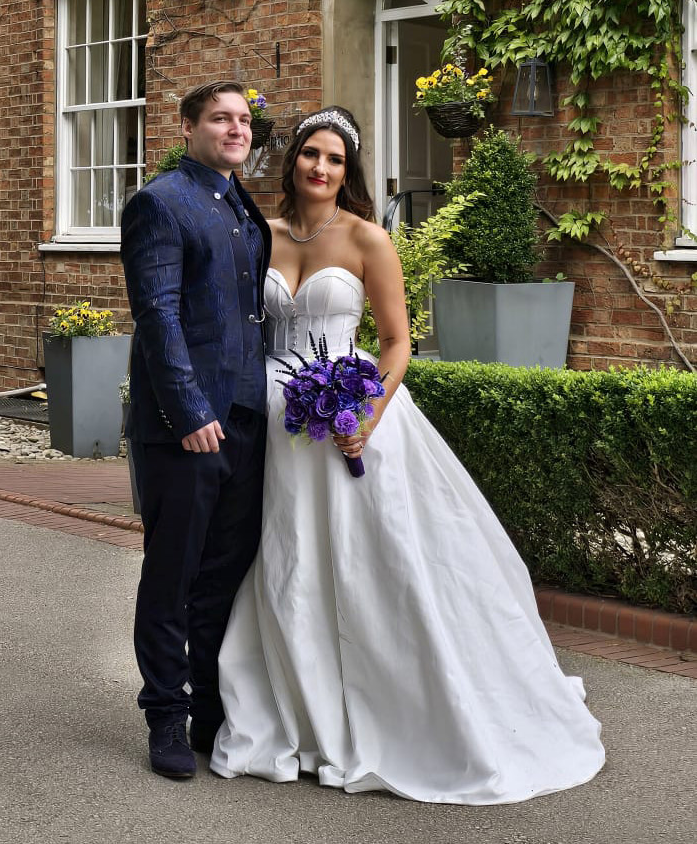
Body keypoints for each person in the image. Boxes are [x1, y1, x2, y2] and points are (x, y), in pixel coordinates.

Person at [208, 106, 605, 803]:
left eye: (334, 160)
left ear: (348, 172)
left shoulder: (368, 240)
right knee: (286, 559)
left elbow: (398, 344)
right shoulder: (257, 236)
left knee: (368, 565)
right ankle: (298, 714)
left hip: (350, 422)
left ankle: (396, 709)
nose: (320, 169)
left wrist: (365, 412)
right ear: (293, 161)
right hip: (274, 421)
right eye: (310, 156)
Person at [120, 80, 271, 778]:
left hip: (245, 420)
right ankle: (166, 718)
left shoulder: (242, 207)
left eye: (243, 119)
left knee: (221, 578)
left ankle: (209, 711)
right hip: (185, 428)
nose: (235, 129)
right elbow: (157, 315)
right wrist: (187, 413)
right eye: (220, 118)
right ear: (187, 127)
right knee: (173, 575)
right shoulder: (161, 201)